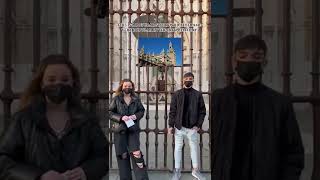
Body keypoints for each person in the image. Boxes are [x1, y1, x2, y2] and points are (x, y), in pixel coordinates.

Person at [0, 54, 109, 180]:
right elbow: (4, 160)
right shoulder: (23, 119)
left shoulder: (87, 120)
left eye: (65, 80)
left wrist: (85, 171)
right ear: (41, 84)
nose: (58, 84)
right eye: (51, 80)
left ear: (73, 82)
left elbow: (104, 156)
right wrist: (39, 176)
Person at [212, 34, 304, 180]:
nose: (249, 61)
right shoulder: (218, 100)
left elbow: (293, 153)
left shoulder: (279, 104)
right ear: (233, 61)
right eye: (243, 55)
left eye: (256, 56)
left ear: (264, 62)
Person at [168, 72, 207, 180]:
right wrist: (171, 125)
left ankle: (195, 170)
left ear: (193, 80)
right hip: (179, 127)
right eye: (187, 78)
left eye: (190, 78)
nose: (188, 80)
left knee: (194, 148)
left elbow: (202, 111)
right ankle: (177, 170)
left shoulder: (198, 94)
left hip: (192, 127)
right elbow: (172, 111)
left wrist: (198, 125)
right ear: (183, 80)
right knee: (178, 148)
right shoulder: (177, 94)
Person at [109, 79, 149, 180]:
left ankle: (142, 178)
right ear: (122, 87)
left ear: (132, 87)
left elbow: (141, 110)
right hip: (120, 130)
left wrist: (135, 116)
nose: (128, 88)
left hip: (133, 130)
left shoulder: (136, 99)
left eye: (130, 86)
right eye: (126, 86)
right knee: (122, 155)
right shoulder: (116, 98)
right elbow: (110, 112)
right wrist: (121, 117)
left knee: (137, 154)